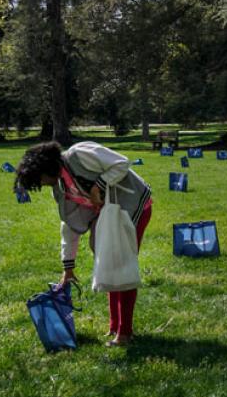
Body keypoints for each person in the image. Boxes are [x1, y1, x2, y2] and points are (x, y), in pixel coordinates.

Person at [16, 141, 152, 346]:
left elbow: (121, 163)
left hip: (132, 207)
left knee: (121, 266)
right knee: (108, 264)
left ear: (46, 168)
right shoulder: (59, 187)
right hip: (109, 214)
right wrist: (67, 266)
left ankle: (125, 333)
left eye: (40, 179)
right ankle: (115, 326)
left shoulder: (79, 154)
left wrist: (99, 185)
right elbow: (69, 226)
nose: (42, 184)